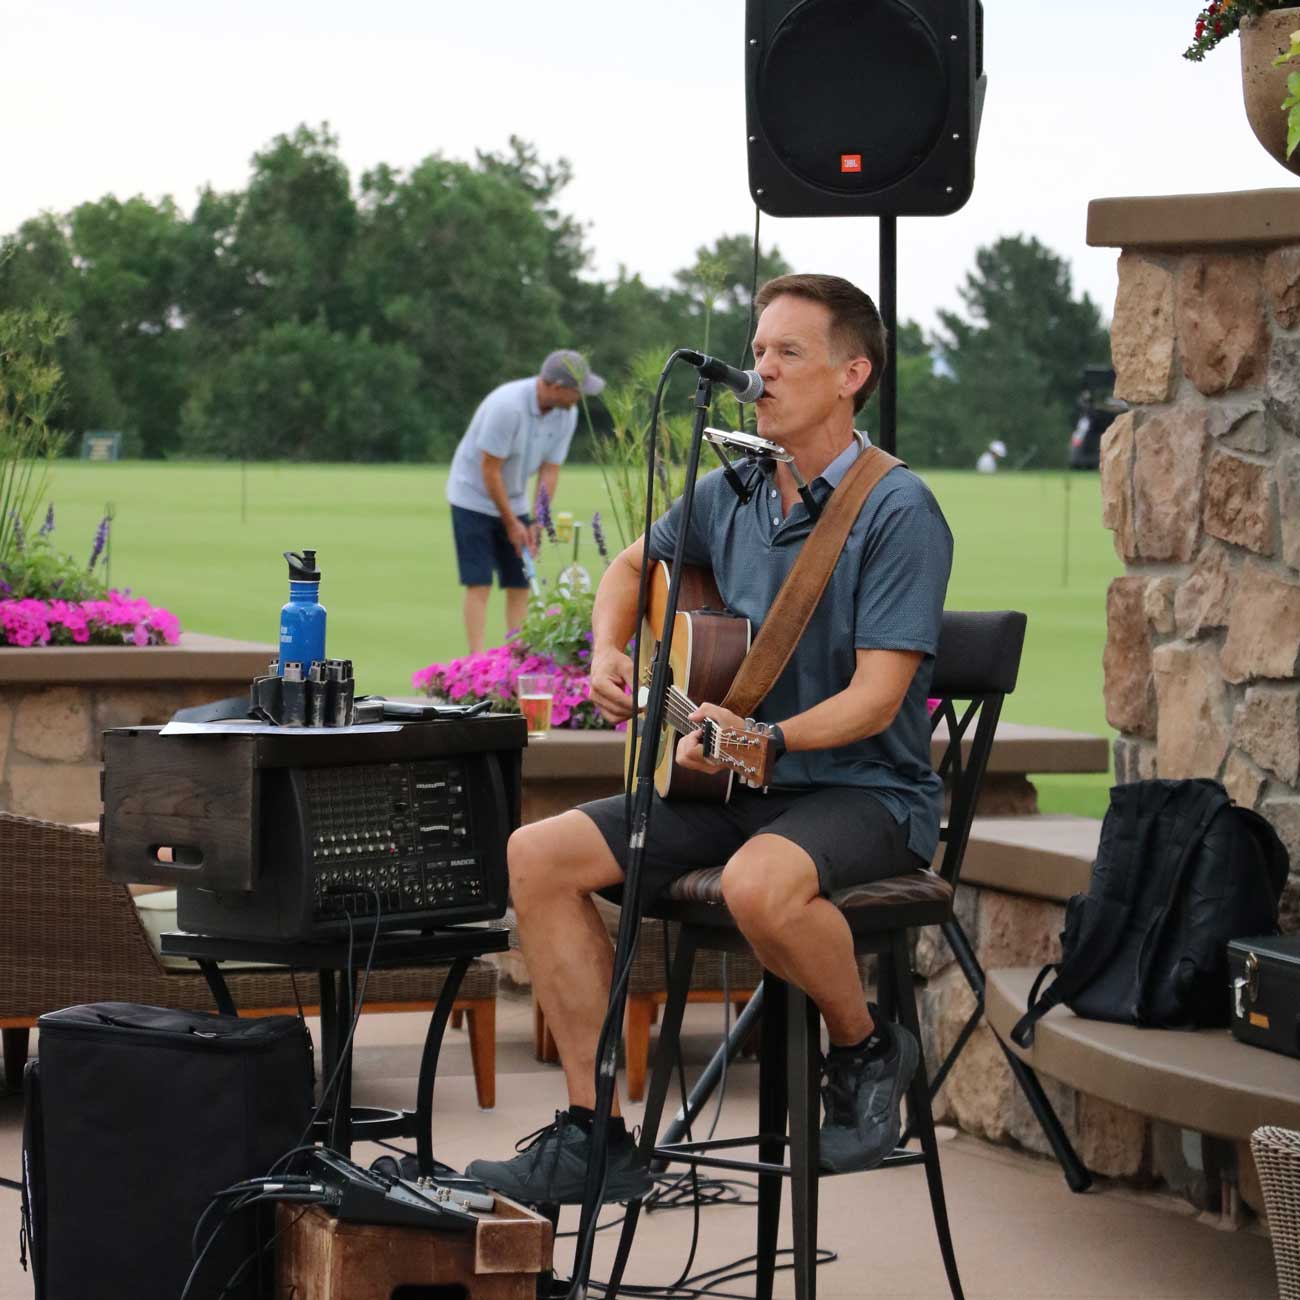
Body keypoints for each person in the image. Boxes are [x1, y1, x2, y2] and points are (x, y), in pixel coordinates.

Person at [468, 274, 954, 1204]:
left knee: (757, 885)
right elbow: (629, 562)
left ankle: (863, 1046)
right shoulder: (732, 488)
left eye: (787, 354)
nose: (759, 369)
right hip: (729, 789)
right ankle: (593, 1132)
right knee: (537, 855)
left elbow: (878, 696)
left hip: (863, 794)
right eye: (758, 348)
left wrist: (766, 739)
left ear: (852, 374)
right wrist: (610, 647)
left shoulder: (897, 510)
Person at [445, 350, 605, 653]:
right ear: (557, 387)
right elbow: (489, 469)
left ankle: (514, 657)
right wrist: (510, 522)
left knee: (519, 582)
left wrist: (535, 521)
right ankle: (476, 661)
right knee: (479, 582)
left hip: (514, 499)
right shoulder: (508, 407)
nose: (580, 397)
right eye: (577, 390)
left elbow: (549, 471)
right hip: (472, 496)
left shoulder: (567, 414)